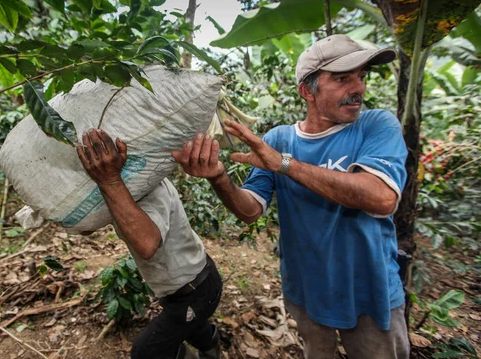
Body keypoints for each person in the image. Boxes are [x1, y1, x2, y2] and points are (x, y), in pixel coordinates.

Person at [172, 34, 410, 358]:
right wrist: (219, 179)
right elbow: (250, 210)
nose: (358, 88)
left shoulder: (376, 125)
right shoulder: (279, 138)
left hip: (372, 294)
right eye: (342, 79)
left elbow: (380, 197)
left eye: (361, 77)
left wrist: (285, 164)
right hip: (308, 293)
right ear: (307, 91)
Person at [76, 128, 222, 359]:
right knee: (193, 327)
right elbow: (85, 227)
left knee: (146, 352)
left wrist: (110, 180)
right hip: (182, 290)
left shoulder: (148, 189)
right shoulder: (122, 188)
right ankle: (210, 345)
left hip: (195, 290)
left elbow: (147, 244)